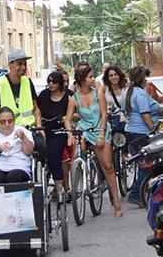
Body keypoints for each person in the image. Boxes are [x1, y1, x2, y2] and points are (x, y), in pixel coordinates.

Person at [68, 65, 123, 217]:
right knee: (75, 153)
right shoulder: (74, 99)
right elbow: (67, 119)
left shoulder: (98, 93)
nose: (93, 79)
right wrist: (70, 134)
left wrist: (100, 135)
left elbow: (104, 115)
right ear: (82, 80)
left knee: (108, 166)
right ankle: (76, 183)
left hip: (99, 128)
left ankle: (117, 202)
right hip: (84, 129)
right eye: (90, 77)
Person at [0, 49, 46, 161]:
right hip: (4, 132)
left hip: (27, 130)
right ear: (10, 65)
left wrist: (39, 126)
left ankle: (41, 175)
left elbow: (36, 109)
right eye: (19, 64)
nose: (23, 67)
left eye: (24, 64)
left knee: (42, 147)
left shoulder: (27, 82)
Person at [122, 66, 159, 208]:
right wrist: (153, 130)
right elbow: (145, 114)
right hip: (142, 134)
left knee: (143, 165)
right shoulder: (140, 94)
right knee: (147, 166)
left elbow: (126, 113)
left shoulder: (127, 92)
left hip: (130, 133)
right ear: (143, 78)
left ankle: (142, 192)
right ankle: (136, 194)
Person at [36, 71, 75, 196]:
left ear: (60, 83)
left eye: (54, 81)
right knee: (38, 156)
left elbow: (75, 115)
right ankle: (41, 182)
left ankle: (59, 191)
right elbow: (36, 111)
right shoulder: (43, 95)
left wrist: (67, 118)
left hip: (59, 132)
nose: (51, 84)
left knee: (55, 158)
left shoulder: (68, 97)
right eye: (49, 81)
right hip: (44, 130)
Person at [0, 107, 35, 183]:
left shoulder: (23, 131)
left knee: (14, 177)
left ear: (14, 121)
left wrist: (23, 137)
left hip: (19, 166)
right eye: (3, 122)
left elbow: (29, 151)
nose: (7, 125)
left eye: (10, 121)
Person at [100, 65, 128, 132]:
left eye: (116, 74)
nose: (114, 77)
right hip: (107, 120)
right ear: (108, 78)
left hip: (122, 119)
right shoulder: (104, 88)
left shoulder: (125, 88)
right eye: (111, 76)